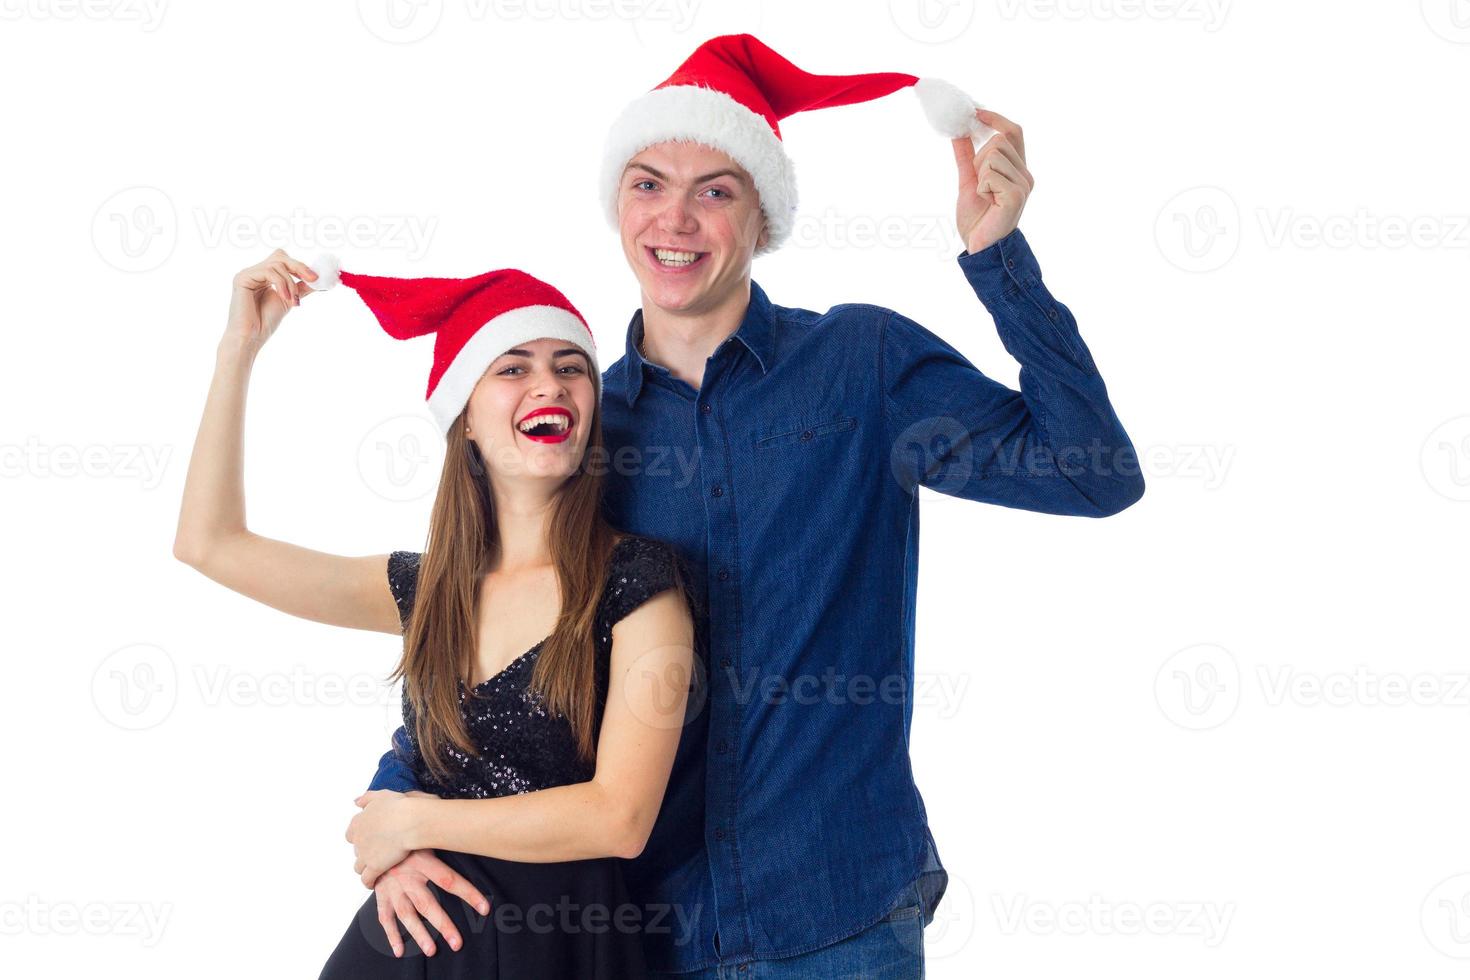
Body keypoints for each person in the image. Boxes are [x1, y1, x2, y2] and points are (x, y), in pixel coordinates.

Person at [364, 34, 1146, 978]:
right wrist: (398, 815)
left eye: (716, 191)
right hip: (645, 933)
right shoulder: (576, 432)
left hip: (840, 916)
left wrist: (998, 256)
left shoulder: (863, 367)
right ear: (617, 205)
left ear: (763, 216)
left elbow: (1091, 474)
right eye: (649, 184)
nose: (677, 219)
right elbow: (483, 635)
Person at [173, 251, 697, 978]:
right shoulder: (425, 593)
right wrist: (239, 351)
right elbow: (209, 545)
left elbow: (620, 818)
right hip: (411, 951)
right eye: (512, 368)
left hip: (562, 950)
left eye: (570, 366)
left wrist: (412, 823)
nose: (549, 383)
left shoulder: (639, 583)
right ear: (467, 420)